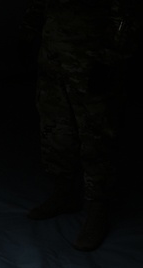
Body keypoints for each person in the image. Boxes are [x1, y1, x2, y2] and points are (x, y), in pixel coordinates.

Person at [24, 0, 140, 251]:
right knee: (56, 125)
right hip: (53, 50)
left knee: (96, 133)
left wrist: (111, 58)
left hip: (91, 56)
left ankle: (98, 208)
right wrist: (30, 29)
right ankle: (64, 191)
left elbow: (126, 12)